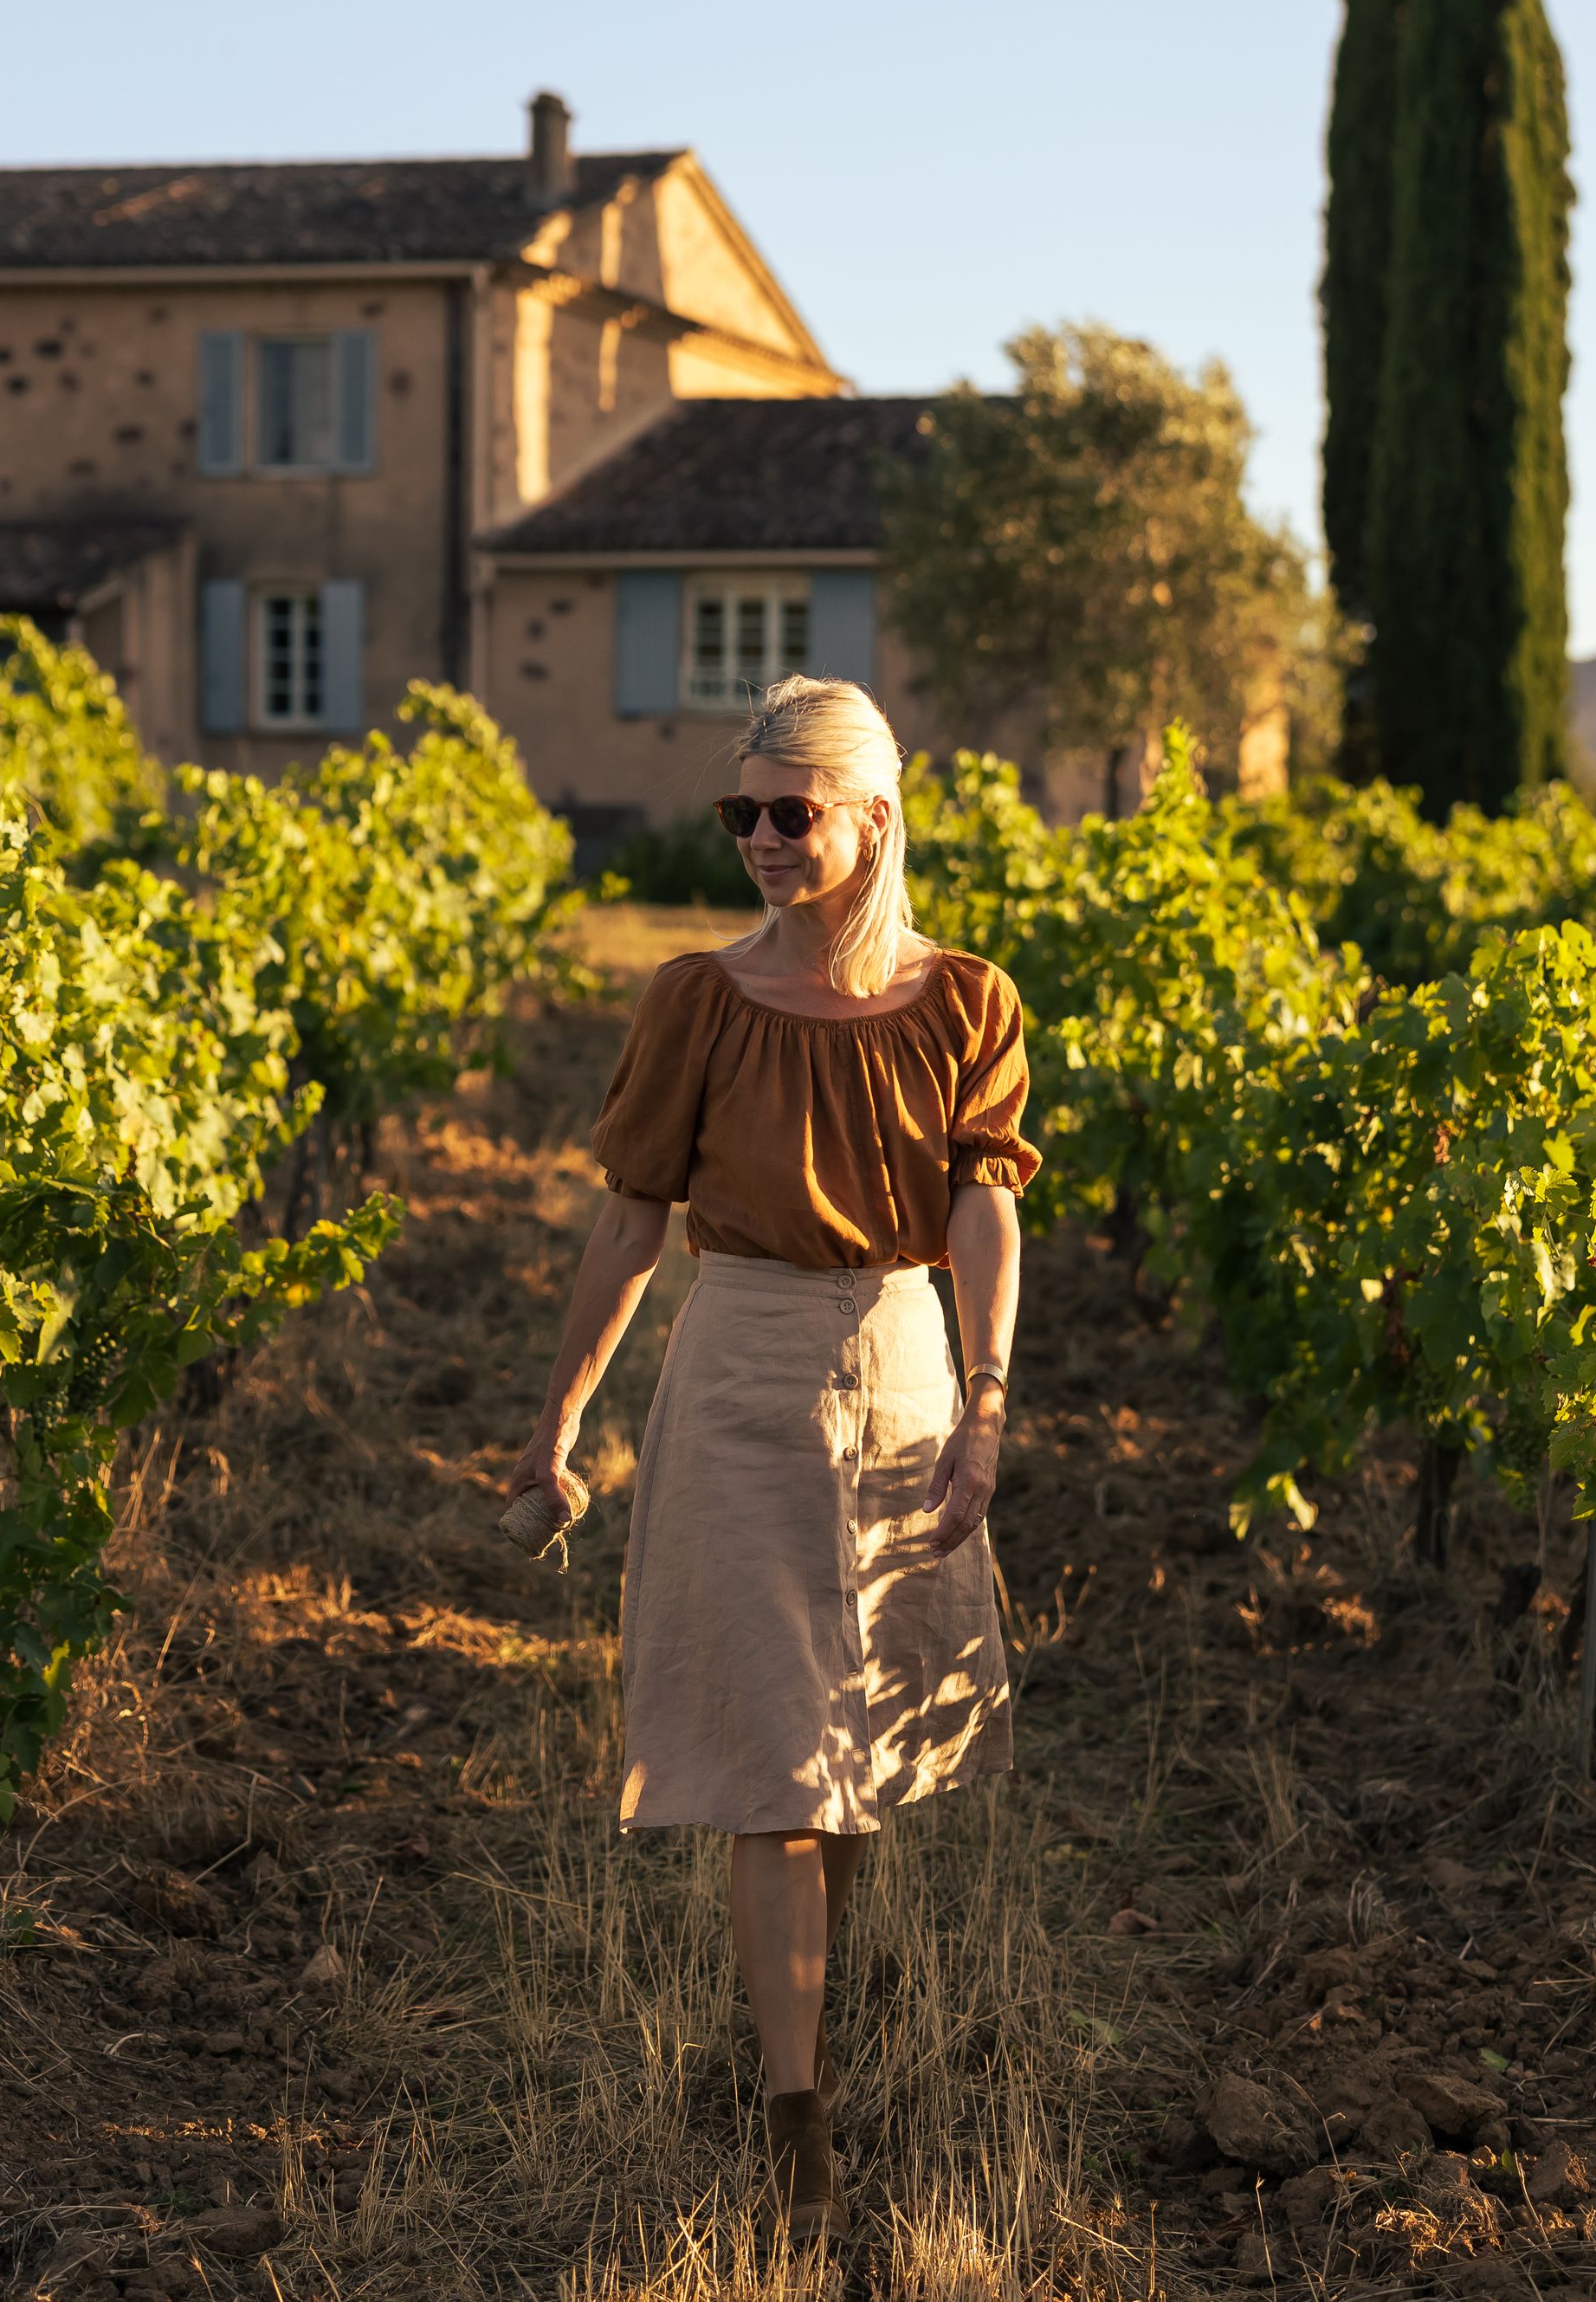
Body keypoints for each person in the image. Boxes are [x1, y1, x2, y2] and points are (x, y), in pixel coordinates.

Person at [505, 673, 1038, 2243]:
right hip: (736, 1366)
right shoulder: (693, 998)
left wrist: (991, 1399)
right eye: (738, 809)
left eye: (787, 810)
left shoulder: (968, 1001)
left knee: (855, 1742)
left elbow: (985, 1204)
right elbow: (628, 1225)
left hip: (904, 1362)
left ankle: (794, 2034)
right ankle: (798, 2115)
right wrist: (555, 1425)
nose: (755, 836)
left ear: (872, 817)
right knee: (774, 1762)